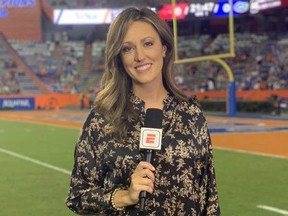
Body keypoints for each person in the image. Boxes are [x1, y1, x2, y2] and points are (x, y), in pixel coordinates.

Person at [65, 7, 220, 215]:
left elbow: (208, 196)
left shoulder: (191, 114)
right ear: (119, 57)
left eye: (148, 43)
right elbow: (78, 196)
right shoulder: (102, 118)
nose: (139, 56)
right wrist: (125, 196)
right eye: (127, 49)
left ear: (164, 48)